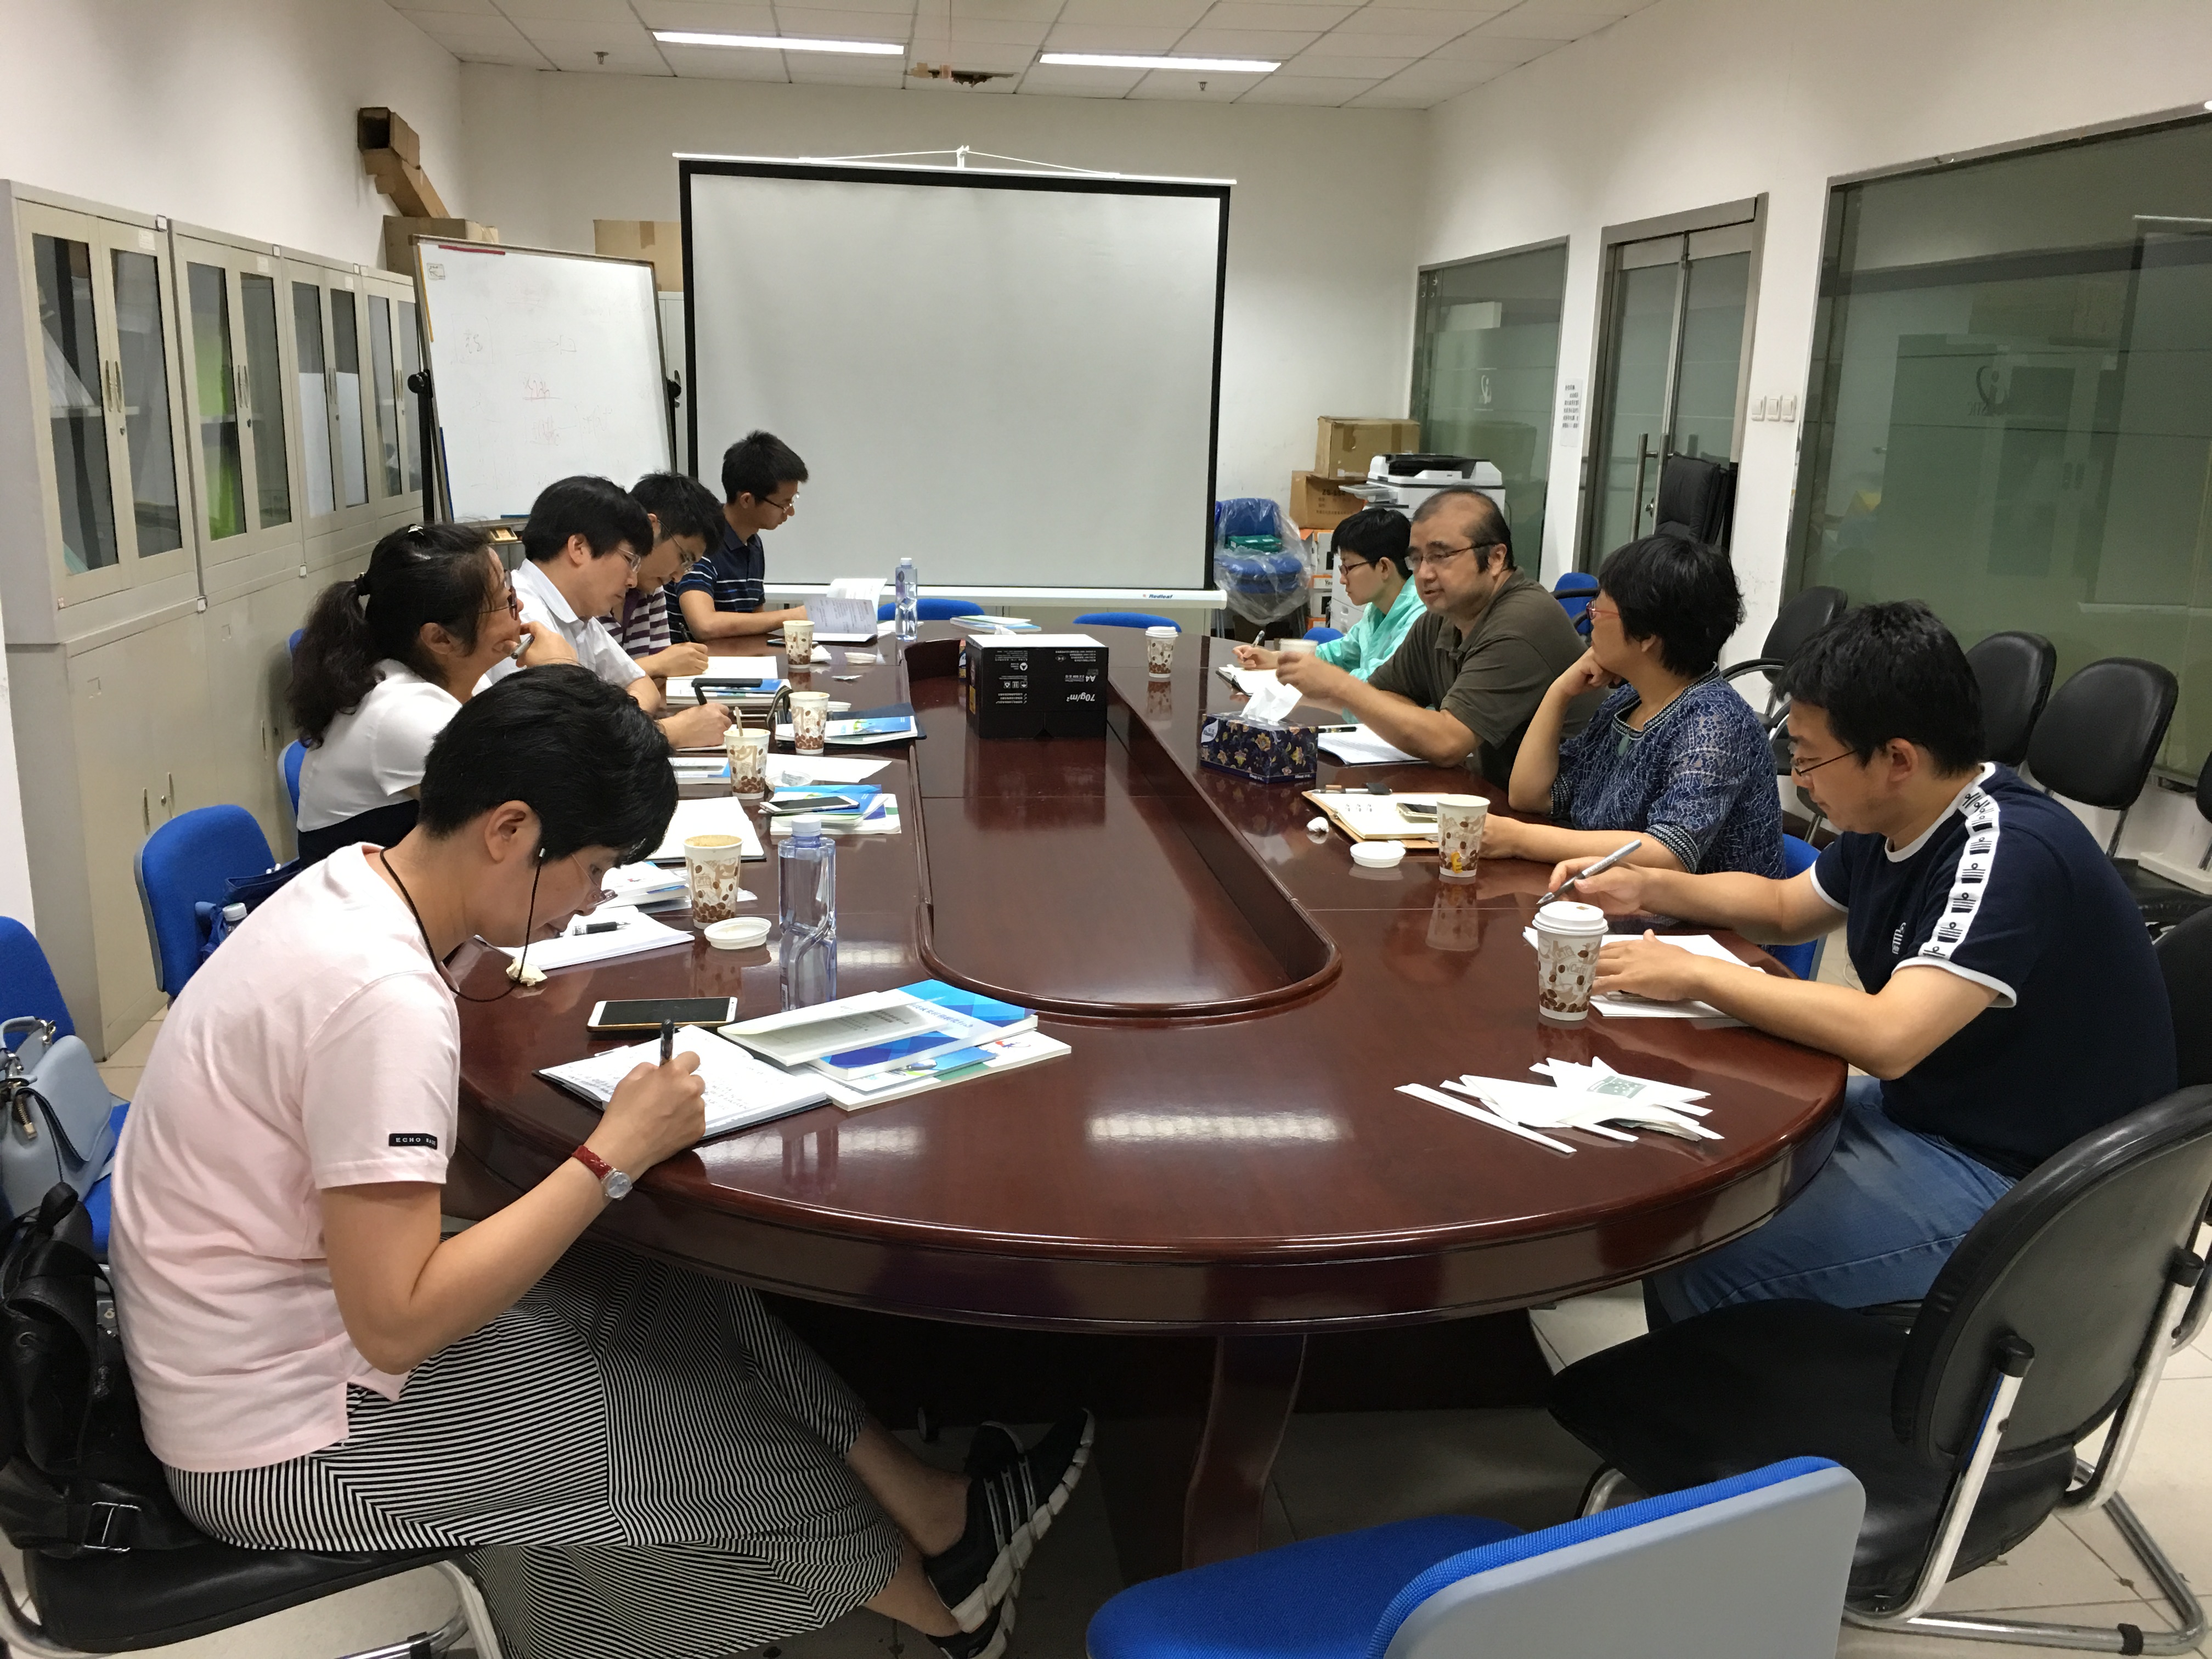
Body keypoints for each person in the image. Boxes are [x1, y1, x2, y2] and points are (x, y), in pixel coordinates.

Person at [110, 666, 1090, 1659]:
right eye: (589, 869)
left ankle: (937, 1513)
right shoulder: (380, 997)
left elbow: (392, 1195)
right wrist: (608, 1154)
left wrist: (599, 1171)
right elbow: (397, 1320)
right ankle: (947, 1609)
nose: (586, 905)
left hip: (278, 1346)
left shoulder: (356, 886)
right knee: (678, 1432)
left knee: (672, 1288)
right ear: (509, 828)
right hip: (276, 1447)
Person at [1548, 602, 2176, 1322]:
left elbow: (1889, 1037)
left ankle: (1730, 1392)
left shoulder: (2007, 851)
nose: (1801, 778)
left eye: (1812, 757)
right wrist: (1652, 887)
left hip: (2031, 1183)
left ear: (1897, 760)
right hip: (1939, 1110)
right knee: (1696, 1146)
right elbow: (1786, 908)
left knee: (1707, 1253)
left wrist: (1697, 974)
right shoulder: (1899, 816)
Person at [1479, 533, 1783, 877]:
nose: (1591, 618)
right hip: (1610, 896)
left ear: (1647, 636)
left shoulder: (1715, 723)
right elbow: (1531, 797)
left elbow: (1668, 853)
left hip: (1694, 912)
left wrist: (1520, 839)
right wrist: (1559, 693)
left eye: (1599, 609)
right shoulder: (1629, 701)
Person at [1273, 489, 1599, 786]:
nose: (1424, 573)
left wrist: (1341, 686)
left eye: (1441, 556)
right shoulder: (1442, 617)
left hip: (1564, 811)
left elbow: (1448, 743)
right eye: (1417, 559)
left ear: (1496, 558)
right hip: (1485, 789)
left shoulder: (1522, 622)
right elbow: (1383, 694)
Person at [290, 523, 562, 866]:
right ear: (440, 639)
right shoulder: (403, 714)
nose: (519, 604)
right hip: (358, 899)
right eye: (506, 602)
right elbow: (541, 807)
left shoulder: (461, 681)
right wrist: (562, 676)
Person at [484, 474, 734, 750]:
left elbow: (642, 685)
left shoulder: (579, 614)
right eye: (629, 560)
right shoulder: (519, 615)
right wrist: (667, 732)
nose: (632, 580)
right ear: (579, 548)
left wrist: (614, 728)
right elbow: (560, 747)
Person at [1232, 507, 1421, 682]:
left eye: (1348, 568)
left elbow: (1378, 681)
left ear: (1384, 567)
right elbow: (1339, 654)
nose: (1343, 579)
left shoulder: (1419, 619)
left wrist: (1314, 675)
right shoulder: (1378, 610)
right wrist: (1276, 658)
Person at [676, 430, 813, 642]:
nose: (790, 512)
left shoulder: (753, 544)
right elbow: (704, 625)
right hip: (695, 661)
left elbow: (756, 624)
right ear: (747, 500)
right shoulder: (702, 540)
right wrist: (792, 617)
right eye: (784, 503)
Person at [608, 471, 721, 680]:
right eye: (684, 558)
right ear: (651, 527)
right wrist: (656, 664)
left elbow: (661, 677)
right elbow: (576, 686)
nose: (678, 577)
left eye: (689, 567)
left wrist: (659, 666)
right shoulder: (592, 588)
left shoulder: (652, 589)